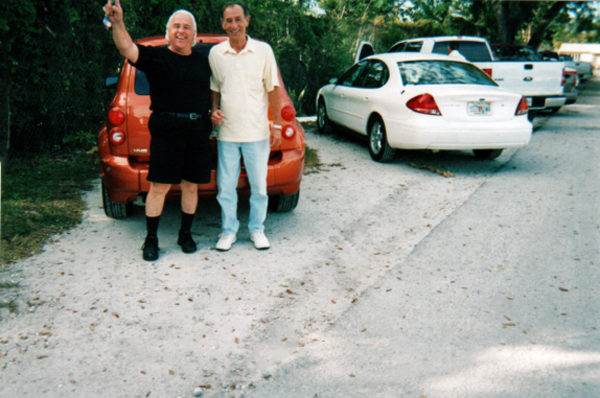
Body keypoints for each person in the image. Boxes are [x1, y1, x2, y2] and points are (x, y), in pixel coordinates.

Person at [102, 0, 213, 261]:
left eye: (187, 27)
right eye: (176, 26)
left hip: (197, 131)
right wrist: (117, 22)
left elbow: (221, 87)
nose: (181, 31)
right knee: (159, 187)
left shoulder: (204, 61)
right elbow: (126, 48)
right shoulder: (157, 57)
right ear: (168, 32)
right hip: (167, 130)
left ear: (194, 36)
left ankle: (185, 234)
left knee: (191, 186)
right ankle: (150, 240)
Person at [209, 2, 282, 251]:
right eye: (228, 21)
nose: (233, 25)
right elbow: (215, 88)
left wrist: (278, 126)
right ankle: (228, 231)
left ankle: (257, 230)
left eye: (238, 19)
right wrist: (214, 110)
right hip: (227, 134)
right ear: (222, 24)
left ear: (247, 20)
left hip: (257, 133)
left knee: (259, 187)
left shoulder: (263, 51)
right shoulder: (216, 54)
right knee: (226, 188)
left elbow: (273, 89)